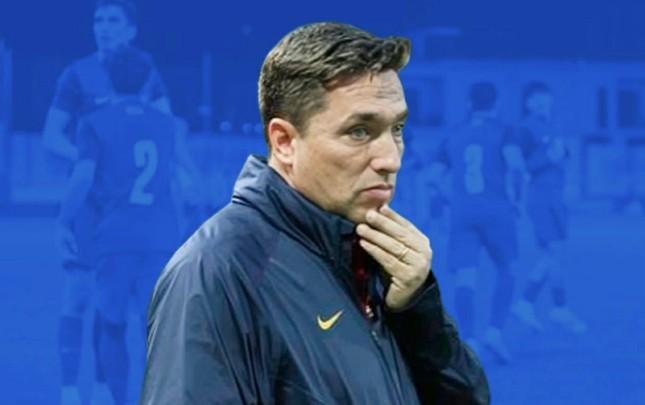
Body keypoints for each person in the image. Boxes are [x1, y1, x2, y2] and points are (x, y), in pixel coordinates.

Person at [141, 22, 489, 404]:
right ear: (284, 142)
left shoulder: (372, 257)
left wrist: (417, 313)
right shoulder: (217, 272)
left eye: (397, 128)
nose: (391, 159)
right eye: (359, 131)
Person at [42, 1, 170, 404]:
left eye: (113, 20)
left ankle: (102, 388)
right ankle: (68, 390)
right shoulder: (77, 74)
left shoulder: (145, 71)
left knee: (115, 298)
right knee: (79, 293)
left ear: (131, 30)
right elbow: (52, 136)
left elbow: (164, 125)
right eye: (98, 20)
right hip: (90, 204)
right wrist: (93, 159)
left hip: (128, 210)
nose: (103, 27)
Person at [58, 47, 189, 405]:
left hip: (115, 235)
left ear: (108, 80)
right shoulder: (167, 124)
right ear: (147, 82)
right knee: (157, 328)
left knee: (112, 322)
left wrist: (65, 220)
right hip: (161, 237)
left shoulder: (95, 122)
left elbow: (83, 178)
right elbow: (180, 180)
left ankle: (115, 399)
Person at [428, 82, 523, 363]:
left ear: (469, 104)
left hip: (462, 213)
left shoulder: (454, 134)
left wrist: (448, 201)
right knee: (507, 269)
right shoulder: (505, 131)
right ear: (497, 104)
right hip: (497, 211)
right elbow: (515, 166)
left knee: (465, 276)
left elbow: (433, 177)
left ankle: (470, 340)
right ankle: (494, 331)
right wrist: (517, 201)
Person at [511, 81, 587, 334]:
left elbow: (562, 156)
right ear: (528, 103)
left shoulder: (552, 126)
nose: (542, 101)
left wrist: (563, 155)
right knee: (553, 251)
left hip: (556, 196)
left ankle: (531, 304)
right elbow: (521, 166)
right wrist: (547, 159)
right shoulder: (525, 129)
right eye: (536, 97)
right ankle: (555, 306)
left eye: (545, 96)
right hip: (541, 197)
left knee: (554, 253)